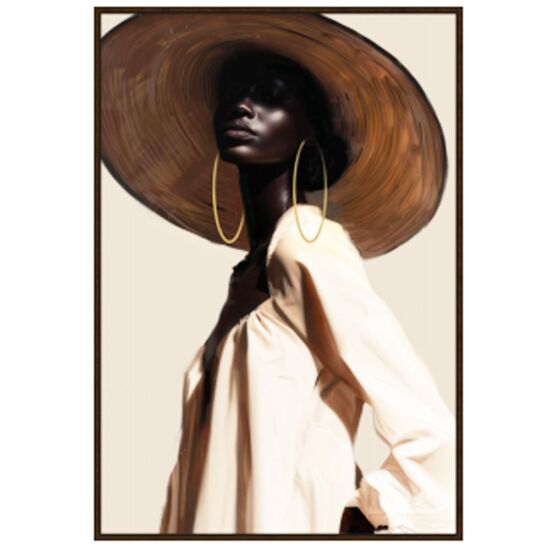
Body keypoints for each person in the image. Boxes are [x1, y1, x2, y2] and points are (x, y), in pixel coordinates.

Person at [101, 13, 455, 535]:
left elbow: (428, 425)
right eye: (231, 95)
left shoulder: (307, 246)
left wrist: (367, 511)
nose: (241, 106)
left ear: (311, 131)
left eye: (270, 95)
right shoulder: (247, 272)